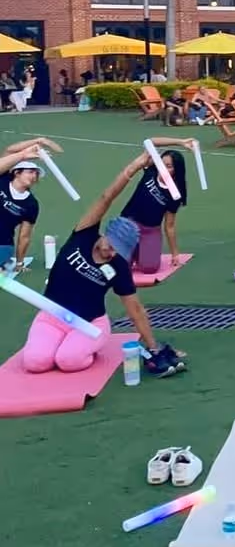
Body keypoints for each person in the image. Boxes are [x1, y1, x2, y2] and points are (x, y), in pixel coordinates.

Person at [21, 151, 184, 376]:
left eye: (119, 250)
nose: (111, 251)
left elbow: (135, 309)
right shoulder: (83, 235)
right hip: (52, 316)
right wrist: (134, 167)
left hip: (89, 323)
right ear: (105, 233)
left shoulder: (118, 267)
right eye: (111, 244)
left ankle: (84, 346)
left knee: (70, 361)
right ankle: (60, 342)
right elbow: (106, 198)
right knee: (35, 363)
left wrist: (153, 347)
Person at [119, 137, 194, 274]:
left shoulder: (175, 193)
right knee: (122, 267)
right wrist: (180, 142)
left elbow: (169, 225)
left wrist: (175, 253)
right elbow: (151, 142)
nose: (164, 169)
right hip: (128, 224)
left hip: (150, 230)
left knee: (150, 268)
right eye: (162, 164)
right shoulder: (151, 170)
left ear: (176, 170)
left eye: (169, 166)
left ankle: (137, 250)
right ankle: (131, 249)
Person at [0, 138, 60, 270]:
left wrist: (20, 263)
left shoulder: (31, 204)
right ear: (17, 173)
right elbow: (10, 150)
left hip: (2, 244)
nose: (34, 176)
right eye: (30, 172)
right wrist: (35, 144)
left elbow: (24, 236)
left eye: (36, 173)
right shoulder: (3, 178)